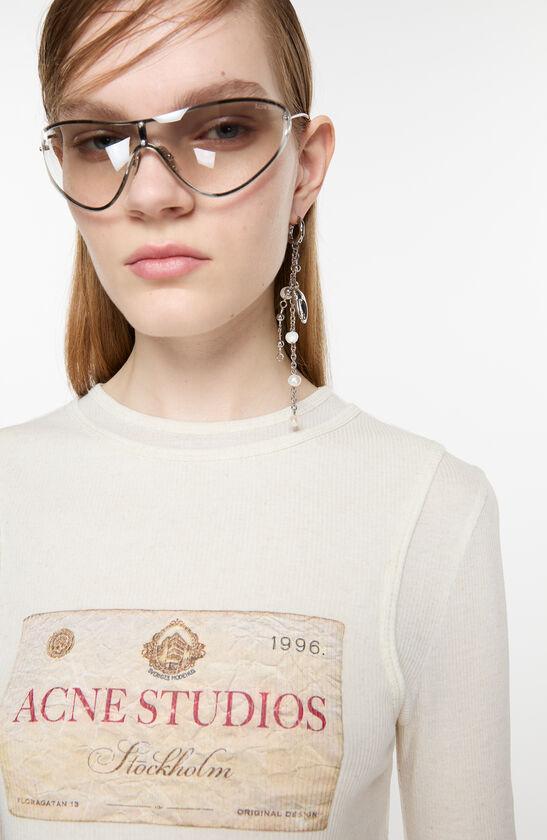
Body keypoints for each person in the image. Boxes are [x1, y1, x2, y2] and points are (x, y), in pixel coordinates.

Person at [0, 1, 517, 838]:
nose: (153, 193)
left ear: (305, 168)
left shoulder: (428, 509)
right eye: (101, 141)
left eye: (223, 128)